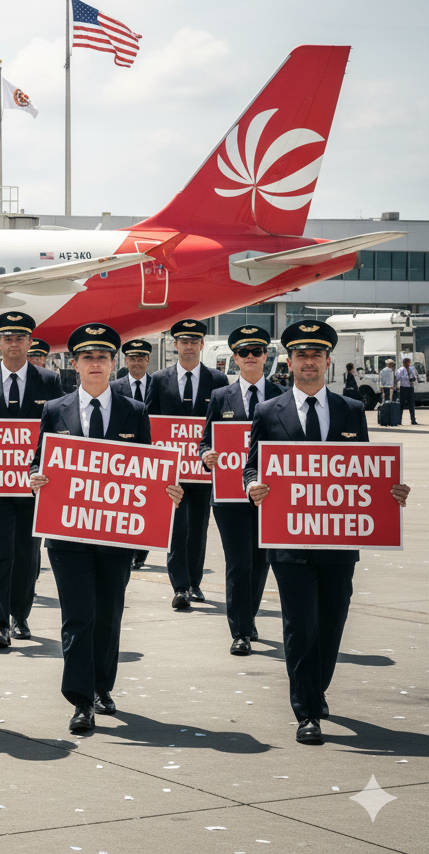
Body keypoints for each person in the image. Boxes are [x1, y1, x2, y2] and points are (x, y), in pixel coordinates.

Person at [244, 320, 410, 744]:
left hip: (339, 541)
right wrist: (253, 487)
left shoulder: (351, 409)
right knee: (300, 626)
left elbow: (365, 471)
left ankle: (317, 690)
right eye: (301, 354)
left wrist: (389, 490)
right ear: (290, 361)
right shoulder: (267, 411)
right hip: (289, 543)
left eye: (316, 354)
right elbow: (251, 465)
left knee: (331, 623)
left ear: (328, 361)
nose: (309, 361)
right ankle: (307, 710)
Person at [29, 323, 183, 732]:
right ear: (74, 364)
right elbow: (37, 463)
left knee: (109, 613)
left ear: (112, 364)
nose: (95, 364)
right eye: (87, 358)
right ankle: (80, 700)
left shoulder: (134, 412)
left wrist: (166, 491)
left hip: (116, 535)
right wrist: (35, 480)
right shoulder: (54, 410)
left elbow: (147, 470)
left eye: (102, 358)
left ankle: (102, 687)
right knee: (78, 615)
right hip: (67, 535)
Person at [0, 312, 64, 647]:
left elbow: (59, 431)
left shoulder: (49, 382)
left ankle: (21, 613)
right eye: (7, 338)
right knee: (0, 551)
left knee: (28, 553)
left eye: (20, 338)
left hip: (34, 488)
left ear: (29, 343)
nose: (13, 343)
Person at [199, 326, 284, 656]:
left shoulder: (280, 395)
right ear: (234, 358)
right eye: (244, 352)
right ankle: (240, 630)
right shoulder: (221, 397)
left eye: (257, 351)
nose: (251, 357)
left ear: (266, 356)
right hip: (229, 495)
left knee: (261, 561)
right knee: (239, 563)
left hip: (270, 494)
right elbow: (206, 439)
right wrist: (206, 455)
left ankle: (247, 618)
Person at [148, 319, 228, 609]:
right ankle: (179, 586)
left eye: (195, 341)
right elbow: (150, 423)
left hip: (204, 471)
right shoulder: (158, 380)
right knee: (176, 528)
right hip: (173, 472)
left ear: (202, 345)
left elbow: (224, 424)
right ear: (175, 345)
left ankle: (195, 583)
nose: (190, 346)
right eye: (184, 341)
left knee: (198, 529)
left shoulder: (218, 381)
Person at [112, 338, 155, 569]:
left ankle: (142, 550)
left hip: (150, 454)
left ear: (147, 360)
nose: (136, 362)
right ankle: (128, 549)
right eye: (132, 358)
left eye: (140, 358)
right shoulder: (114, 387)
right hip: (124, 457)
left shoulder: (160, 385)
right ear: (125, 361)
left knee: (145, 506)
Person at [396, 357, 418, 425]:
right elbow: (397, 378)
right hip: (403, 388)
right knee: (401, 405)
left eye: (408, 363)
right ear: (403, 364)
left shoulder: (412, 369)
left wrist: (413, 378)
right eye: (406, 363)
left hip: (410, 388)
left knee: (411, 405)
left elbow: (416, 376)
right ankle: (399, 420)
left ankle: (413, 420)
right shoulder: (400, 370)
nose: (407, 364)